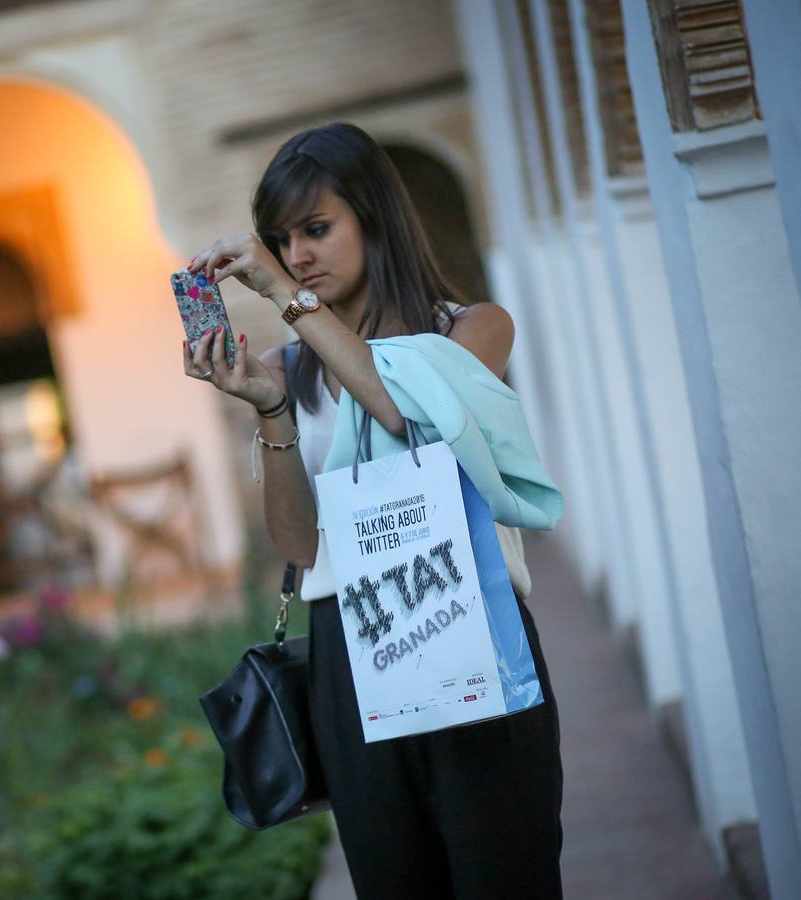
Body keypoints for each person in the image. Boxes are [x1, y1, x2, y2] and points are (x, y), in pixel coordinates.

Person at [181, 122, 563, 899]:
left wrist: (288, 301)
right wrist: (273, 411)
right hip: (350, 658)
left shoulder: (471, 331)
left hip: (471, 638)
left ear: (375, 219)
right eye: (283, 241)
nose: (298, 257)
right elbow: (299, 545)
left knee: (508, 878)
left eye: (317, 230)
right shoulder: (293, 368)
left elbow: (401, 409)